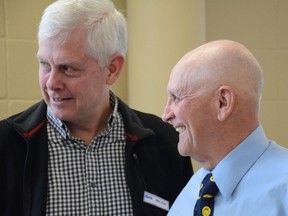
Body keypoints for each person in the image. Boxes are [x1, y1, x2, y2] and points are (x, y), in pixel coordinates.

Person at [0, 0, 193, 215]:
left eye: (67, 68)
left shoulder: (164, 144)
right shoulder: (7, 145)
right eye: (45, 64)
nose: (51, 83)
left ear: (112, 69)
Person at [162, 40, 288, 215]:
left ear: (223, 102)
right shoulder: (189, 194)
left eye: (176, 98)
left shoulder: (283, 189)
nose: (166, 114)